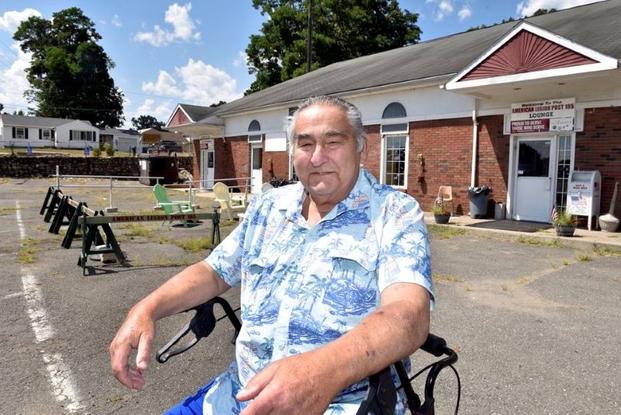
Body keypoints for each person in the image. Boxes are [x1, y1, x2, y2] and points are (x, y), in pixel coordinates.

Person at [109, 96, 433, 415]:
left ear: (361, 146)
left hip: (345, 403)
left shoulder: (393, 213)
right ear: (293, 152)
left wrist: (323, 371)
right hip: (238, 393)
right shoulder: (269, 207)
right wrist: (146, 309)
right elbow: (215, 271)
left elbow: (408, 315)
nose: (318, 157)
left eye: (333, 141)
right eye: (305, 145)